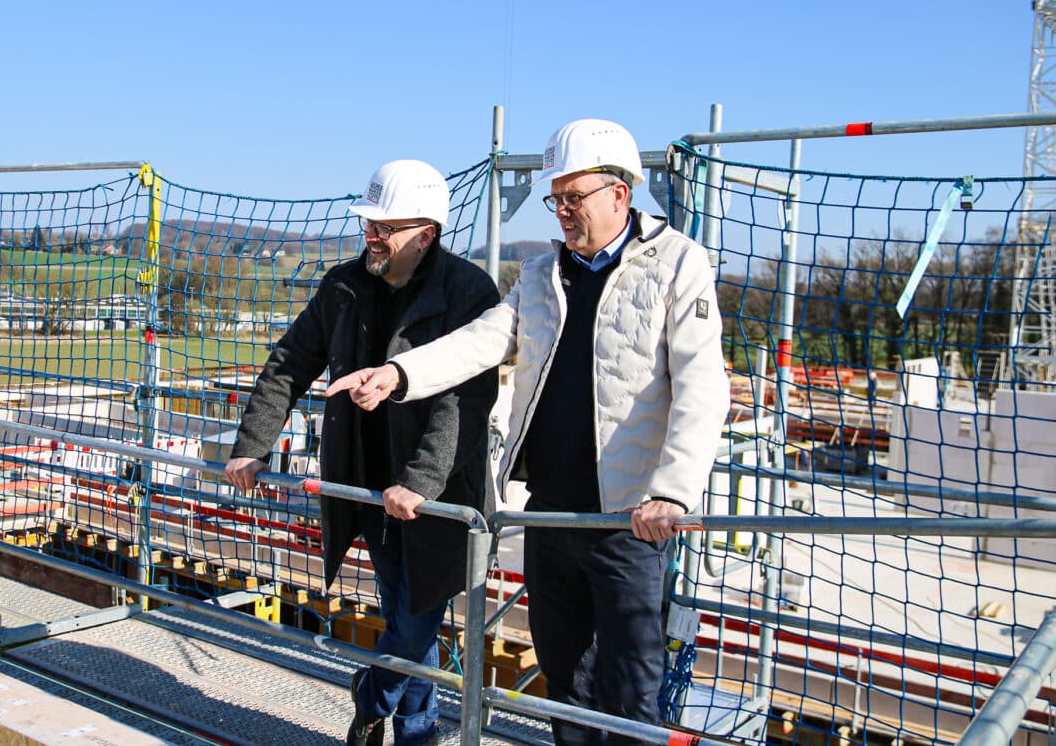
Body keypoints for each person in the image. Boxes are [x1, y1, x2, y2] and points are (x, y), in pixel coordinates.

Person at [327, 119, 730, 745]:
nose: (563, 211)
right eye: (557, 199)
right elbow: (482, 340)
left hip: (629, 516)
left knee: (630, 690)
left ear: (619, 194)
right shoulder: (543, 274)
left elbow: (703, 387)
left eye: (575, 197)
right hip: (549, 513)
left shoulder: (678, 263)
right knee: (565, 683)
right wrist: (400, 373)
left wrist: (673, 492)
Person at [224, 159, 500, 746]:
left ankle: (372, 697)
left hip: (440, 488)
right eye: (368, 226)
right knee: (406, 605)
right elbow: (289, 364)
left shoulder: (468, 292)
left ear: (426, 234)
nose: (370, 237)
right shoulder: (343, 288)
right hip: (370, 484)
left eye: (384, 228)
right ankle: (416, 729)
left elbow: (465, 400)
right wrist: (253, 445)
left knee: (421, 610)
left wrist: (422, 481)